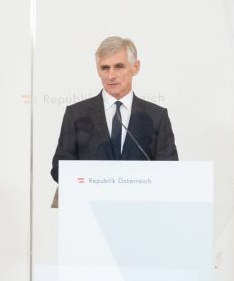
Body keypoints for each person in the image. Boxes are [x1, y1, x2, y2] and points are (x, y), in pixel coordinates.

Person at [50, 35, 178, 182]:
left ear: (135, 67)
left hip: (140, 203)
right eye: (105, 68)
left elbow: (170, 170)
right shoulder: (76, 114)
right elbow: (59, 169)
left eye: (119, 67)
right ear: (98, 71)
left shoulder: (157, 117)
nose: (111, 75)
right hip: (91, 201)